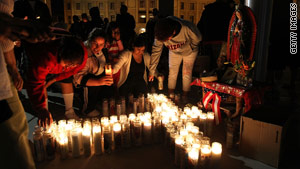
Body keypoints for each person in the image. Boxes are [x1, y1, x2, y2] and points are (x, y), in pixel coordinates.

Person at [0, 1, 52, 169]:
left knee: (18, 128)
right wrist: (19, 26)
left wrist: (13, 69)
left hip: (3, 74)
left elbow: (5, 33)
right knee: (13, 139)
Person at [24, 37, 88, 126]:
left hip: (58, 60)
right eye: (66, 65)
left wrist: (55, 79)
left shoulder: (82, 56)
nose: (67, 68)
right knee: (42, 86)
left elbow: (71, 72)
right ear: (60, 55)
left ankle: (69, 112)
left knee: (66, 80)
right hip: (34, 49)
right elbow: (35, 83)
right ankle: (45, 114)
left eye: (71, 66)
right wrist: (41, 109)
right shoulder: (45, 59)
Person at [149, 17, 201, 100]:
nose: (166, 42)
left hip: (189, 51)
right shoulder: (160, 32)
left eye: (167, 39)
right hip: (173, 51)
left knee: (186, 73)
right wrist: (152, 71)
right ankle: (171, 96)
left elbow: (197, 39)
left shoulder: (187, 28)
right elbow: (156, 51)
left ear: (173, 32)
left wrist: (191, 48)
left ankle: (185, 96)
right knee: (172, 72)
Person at [73, 28, 114, 117]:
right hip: (85, 83)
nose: (97, 48)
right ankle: (87, 109)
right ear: (90, 40)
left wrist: (109, 68)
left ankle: (99, 102)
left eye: (101, 44)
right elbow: (78, 78)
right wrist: (99, 82)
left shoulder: (104, 51)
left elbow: (105, 62)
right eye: (95, 43)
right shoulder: (84, 53)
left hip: (99, 77)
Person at [197, 0, 234, 70]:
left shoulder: (207, 10)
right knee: (221, 65)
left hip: (207, 41)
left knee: (209, 66)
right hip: (222, 41)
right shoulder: (228, 10)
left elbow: (200, 26)